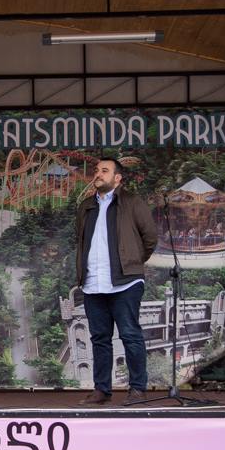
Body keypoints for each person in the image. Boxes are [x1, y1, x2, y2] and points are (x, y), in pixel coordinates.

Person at [75, 157, 157, 405]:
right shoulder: (86, 206)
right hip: (93, 282)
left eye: (105, 170)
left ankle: (137, 389)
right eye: (97, 170)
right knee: (99, 338)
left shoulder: (132, 202)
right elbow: (80, 240)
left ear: (117, 178)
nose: (98, 174)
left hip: (126, 282)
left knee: (130, 335)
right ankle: (102, 390)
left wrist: (132, 262)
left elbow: (150, 238)